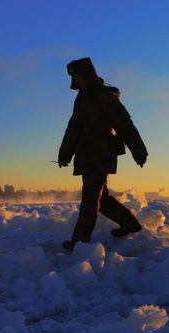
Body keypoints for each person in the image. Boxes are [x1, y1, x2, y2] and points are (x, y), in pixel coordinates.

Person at [58, 57, 147, 251]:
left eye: (78, 76)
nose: (76, 80)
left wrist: (138, 149)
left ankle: (80, 241)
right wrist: (65, 153)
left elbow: (124, 124)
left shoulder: (106, 97)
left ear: (87, 75)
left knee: (90, 197)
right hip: (86, 154)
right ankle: (130, 223)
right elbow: (74, 128)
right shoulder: (81, 98)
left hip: (101, 154)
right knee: (101, 197)